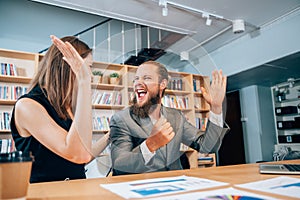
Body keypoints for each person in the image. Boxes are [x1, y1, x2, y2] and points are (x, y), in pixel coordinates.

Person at [10, 35, 109, 183]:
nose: (90, 76)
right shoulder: (28, 106)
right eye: (87, 68)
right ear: (67, 66)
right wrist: (84, 83)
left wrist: (111, 135)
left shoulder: (69, 107)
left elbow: (83, 157)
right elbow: (78, 154)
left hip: (76, 191)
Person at [109, 61, 229, 175]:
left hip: (176, 184)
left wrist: (216, 109)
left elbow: (208, 147)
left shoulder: (176, 116)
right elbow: (120, 165)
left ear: (163, 84)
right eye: (136, 79)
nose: (138, 83)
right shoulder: (121, 119)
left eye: (146, 78)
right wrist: (150, 145)